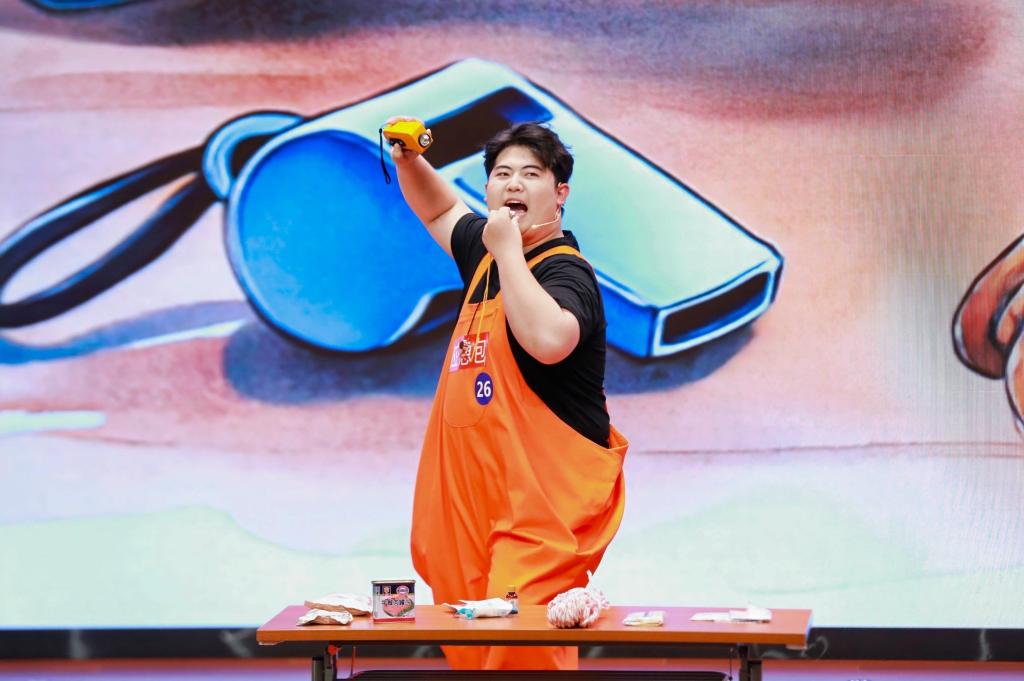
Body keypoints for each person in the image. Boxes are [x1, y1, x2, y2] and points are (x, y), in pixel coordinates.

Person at [387, 119, 629, 671]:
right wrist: (409, 161)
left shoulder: (566, 270)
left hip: (540, 506)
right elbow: (440, 211)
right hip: (469, 499)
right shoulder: (487, 253)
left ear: (560, 194)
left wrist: (508, 253)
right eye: (502, 174)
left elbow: (549, 340)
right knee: (473, 649)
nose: (513, 184)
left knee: (520, 648)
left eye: (530, 174)